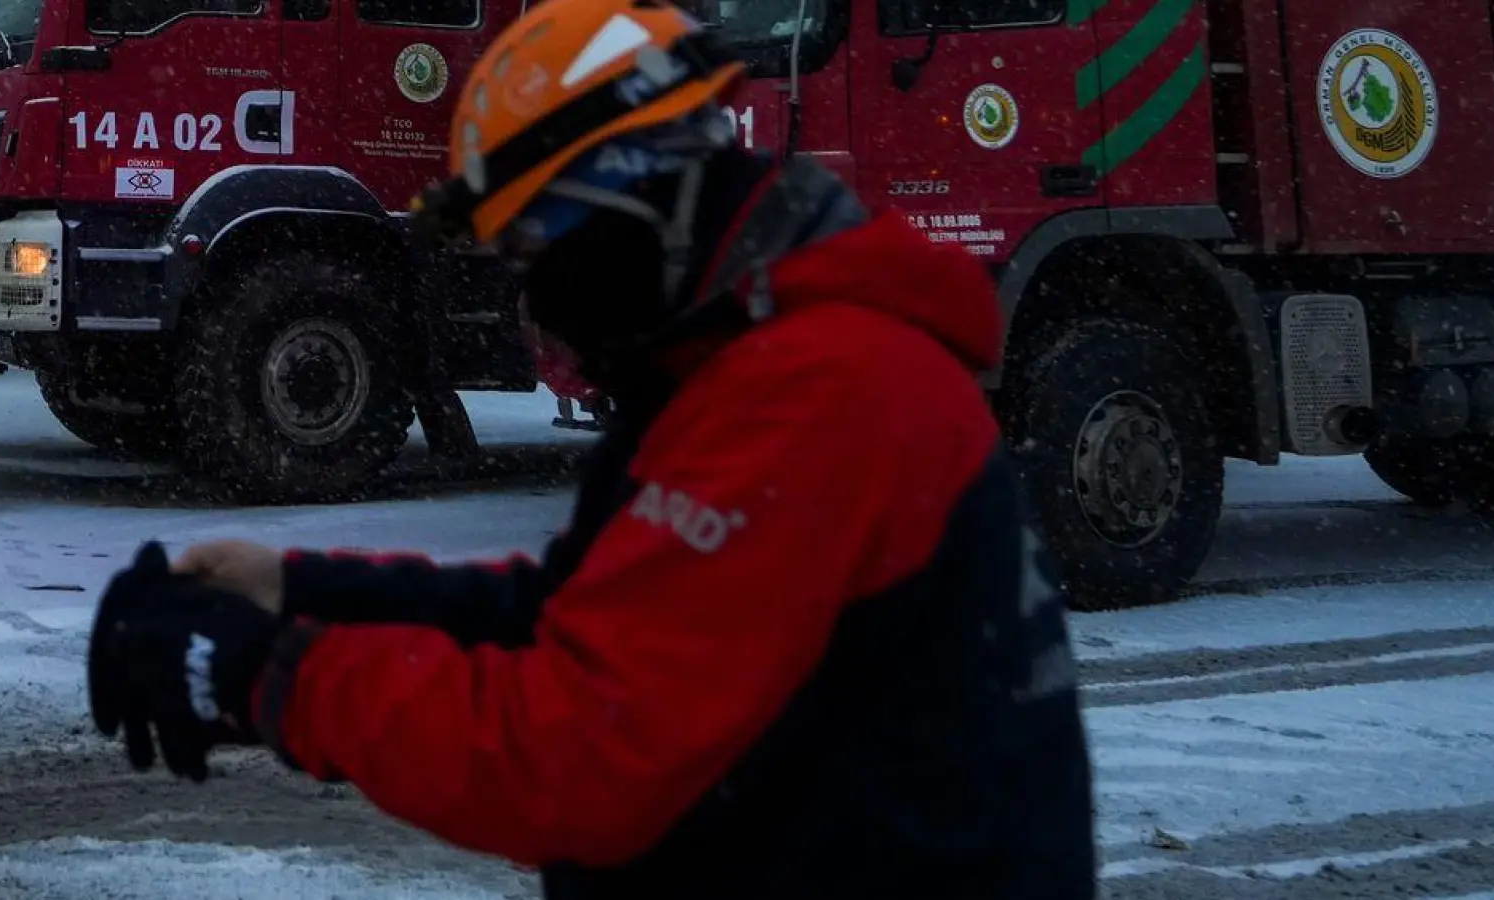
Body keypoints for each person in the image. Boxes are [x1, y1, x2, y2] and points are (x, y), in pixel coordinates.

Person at [83, 0, 1099, 897]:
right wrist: (301, 593)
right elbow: (578, 617)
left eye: (536, 250)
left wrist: (263, 675)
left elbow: (576, 752)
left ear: (625, 202)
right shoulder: (729, 367)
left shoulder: (816, 392)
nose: (534, 301)